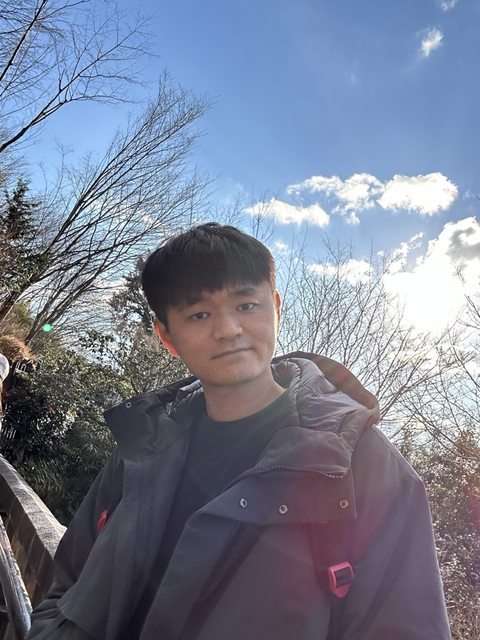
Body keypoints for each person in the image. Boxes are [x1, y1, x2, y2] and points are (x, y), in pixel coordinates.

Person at [28, 223, 452, 640]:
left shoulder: (360, 465)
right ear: (167, 336)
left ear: (276, 308)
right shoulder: (143, 446)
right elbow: (67, 581)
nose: (228, 330)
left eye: (246, 305)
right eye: (199, 314)